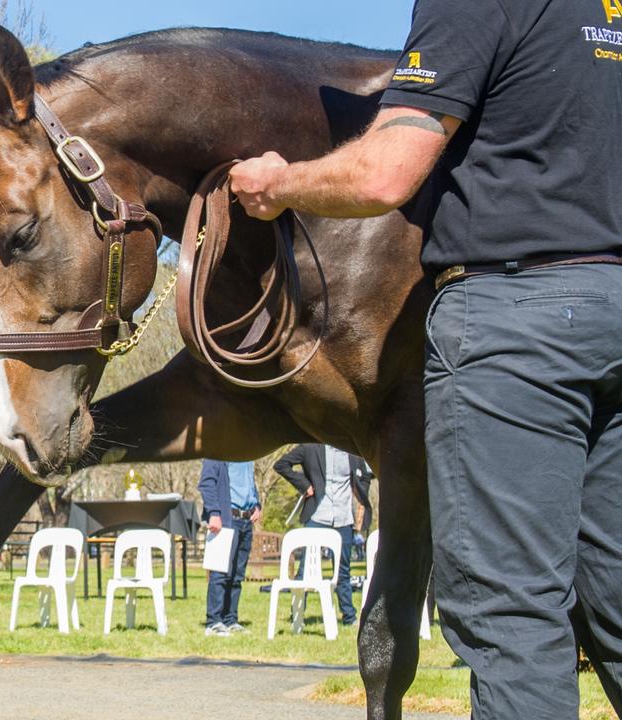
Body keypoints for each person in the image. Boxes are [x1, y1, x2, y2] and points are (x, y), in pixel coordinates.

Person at [230, 1, 622, 715]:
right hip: (612, 311)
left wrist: (278, 186)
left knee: (513, 618)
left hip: (517, 328)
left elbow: (385, 173)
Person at [273, 444, 373, 626]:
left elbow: (367, 474)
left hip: (344, 518)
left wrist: (360, 492)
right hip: (317, 516)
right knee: (305, 570)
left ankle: (349, 617)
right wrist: (305, 485)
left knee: (343, 570)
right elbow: (281, 464)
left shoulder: (353, 450)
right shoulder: (310, 447)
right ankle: (297, 616)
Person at [198, 459, 261, 636]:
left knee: (237, 575)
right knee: (220, 572)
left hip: (246, 520)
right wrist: (214, 513)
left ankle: (230, 619)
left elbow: (249, 482)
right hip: (226, 519)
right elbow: (206, 483)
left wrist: (257, 504)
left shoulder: (249, 453)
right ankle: (214, 621)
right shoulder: (217, 451)